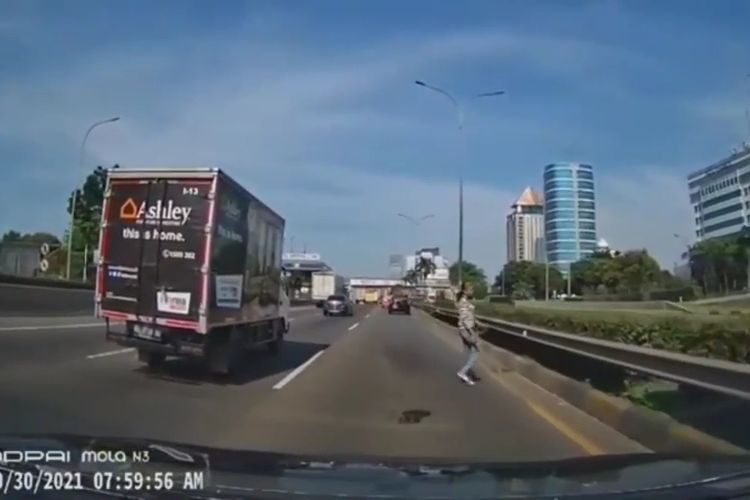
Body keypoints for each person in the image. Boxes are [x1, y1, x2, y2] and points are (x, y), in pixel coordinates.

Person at [456, 281, 480, 386]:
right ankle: (463, 372)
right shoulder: (463, 302)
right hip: (466, 330)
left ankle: (468, 372)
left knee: (470, 351)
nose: (473, 291)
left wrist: (478, 322)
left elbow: (469, 316)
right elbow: (464, 318)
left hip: (464, 329)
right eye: (471, 289)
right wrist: (471, 332)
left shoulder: (464, 301)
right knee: (476, 352)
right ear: (465, 291)